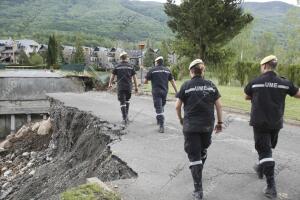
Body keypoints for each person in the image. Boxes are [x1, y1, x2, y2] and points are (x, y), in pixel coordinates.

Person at [244, 55, 300, 199]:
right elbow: (298, 94)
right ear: (274, 66)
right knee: (267, 148)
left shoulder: (256, 82)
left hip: (260, 123)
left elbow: (247, 95)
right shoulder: (284, 82)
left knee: (265, 152)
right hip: (276, 123)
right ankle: (260, 167)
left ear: (263, 66)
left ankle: (271, 188)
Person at [175, 59, 223, 200]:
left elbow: (177, 106)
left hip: (191, 126)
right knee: (202, 150)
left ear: (191, 71)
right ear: (203, 71)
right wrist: (220, 122)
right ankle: (198, 168)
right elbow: (219, 106)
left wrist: (180, 119)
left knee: (195, 156)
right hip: (207, 126)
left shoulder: (186, 85)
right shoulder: (211, 85)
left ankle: (198, 190)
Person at [144, 56, 178, 133]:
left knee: (158, 108)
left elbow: (145, 81)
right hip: (165, 92)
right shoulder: (167, 70)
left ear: (156, 62)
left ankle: (161, 125)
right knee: (161, 106)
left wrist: (148, 80)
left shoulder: (152, 70)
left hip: (156, 92)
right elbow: (172, 82)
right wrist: (176, 91)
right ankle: (159, 118)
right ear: (162, 62)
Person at [108, 51, 138, 125]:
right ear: (127, 58)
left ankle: (124, 119)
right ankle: (126, 117)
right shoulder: (131, 66)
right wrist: (136, 87)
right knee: (127, 100)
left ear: (120, 58)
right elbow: (134, 78)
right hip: (128, 87)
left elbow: (112, 76)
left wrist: (110, 84)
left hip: (121, 87)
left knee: (122, 102)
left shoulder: (117, 66)